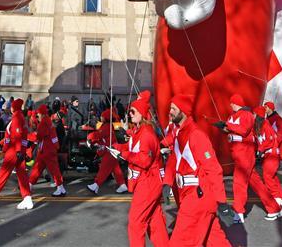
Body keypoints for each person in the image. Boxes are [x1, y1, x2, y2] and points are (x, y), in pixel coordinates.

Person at [164, 94, 232, 246]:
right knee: (216, 242)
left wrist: (222, 202)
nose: (170, 112)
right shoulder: (179, 134)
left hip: (198, 198)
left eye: (173, 109)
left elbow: (213, 169)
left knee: (180, 243)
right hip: (190, 195)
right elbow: (174, 159)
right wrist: (167, 182)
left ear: (183, 111)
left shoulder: (196, 135)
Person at [106, 91, 168, 247]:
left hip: (148, 181)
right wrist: (115, 147)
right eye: (130, 111)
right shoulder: (138, 131)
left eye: (133, 111)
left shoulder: (146, 134)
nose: (130, 114)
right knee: (155, 221)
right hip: (146, 181)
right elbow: (130, 147)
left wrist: (123, 154)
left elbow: (144, 160)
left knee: (136, 222)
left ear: (142, 113)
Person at [218, 94, 282, 222]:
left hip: (245, 154)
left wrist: (228, 125)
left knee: (239, 183)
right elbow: (233, 130)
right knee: (257, 184)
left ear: (235, 103)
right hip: (238, 153)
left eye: (231, 103)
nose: (230, 105)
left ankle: (238, 212)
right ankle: (274, 208)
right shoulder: (233, 116)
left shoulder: (246, 115)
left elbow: (244, 130)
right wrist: (223, 128)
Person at [0, 98, 33, 210]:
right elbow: (19, 136)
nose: (10, 108)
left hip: (14, 151)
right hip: (18, 150)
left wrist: (17, 150)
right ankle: (27, 199)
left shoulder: (17, 117)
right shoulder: (21, 118)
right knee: (22, 175)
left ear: (14, 108)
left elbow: (17, 135)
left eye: (11, 106)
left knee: (3, 174)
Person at [28, 104, 66, 196]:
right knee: (38, 168)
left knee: (52, 170)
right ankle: (29, 185)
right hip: (47, 149)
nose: (37, 116)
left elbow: (39, 136)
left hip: (46, 150)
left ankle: (60, 188)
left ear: (41, 114)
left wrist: (28, 136)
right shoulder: (48, 121)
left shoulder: (44, 123)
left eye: (38, 114)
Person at [87, 108, 127, 194]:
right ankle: (122, 185)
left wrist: (90, 137)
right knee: (116, 170)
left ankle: (96, 185)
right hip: (112, 149)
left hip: (110, 150)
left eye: (102, 116)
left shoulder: (106, 126)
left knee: (104, 169)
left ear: (105, 117)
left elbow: (98, 134)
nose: (101, 118)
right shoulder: (108, 126)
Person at [256, 106, 282, 209]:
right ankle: (281, 198)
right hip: (268, 155)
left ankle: (276, 198)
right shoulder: (260, 125)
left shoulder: (265, 125)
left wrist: (261, 149)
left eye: (254, 114)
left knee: (267, 177)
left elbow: (269, 140)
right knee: (273, 177)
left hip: (271, 155)